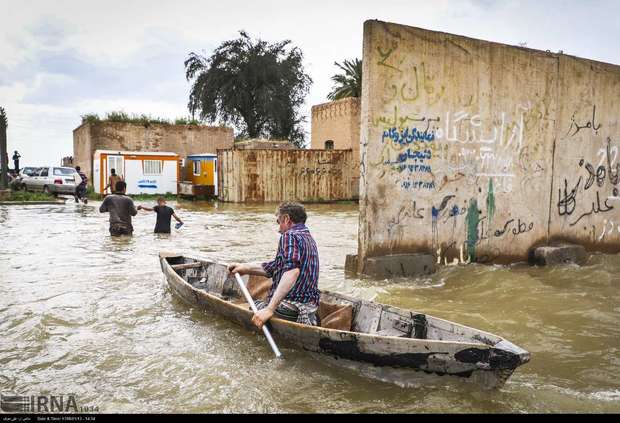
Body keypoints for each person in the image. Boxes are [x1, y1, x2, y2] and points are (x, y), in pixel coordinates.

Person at [228, 202, 320, 329]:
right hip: (310, 308)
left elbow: (292, 271)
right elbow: (276, 266)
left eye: (278, 222)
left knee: (255, 305)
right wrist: (245, 268)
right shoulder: (309, 238)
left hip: (292, 309)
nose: (278, 228)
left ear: (286, 219)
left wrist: (270, 309)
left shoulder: (289, 236)